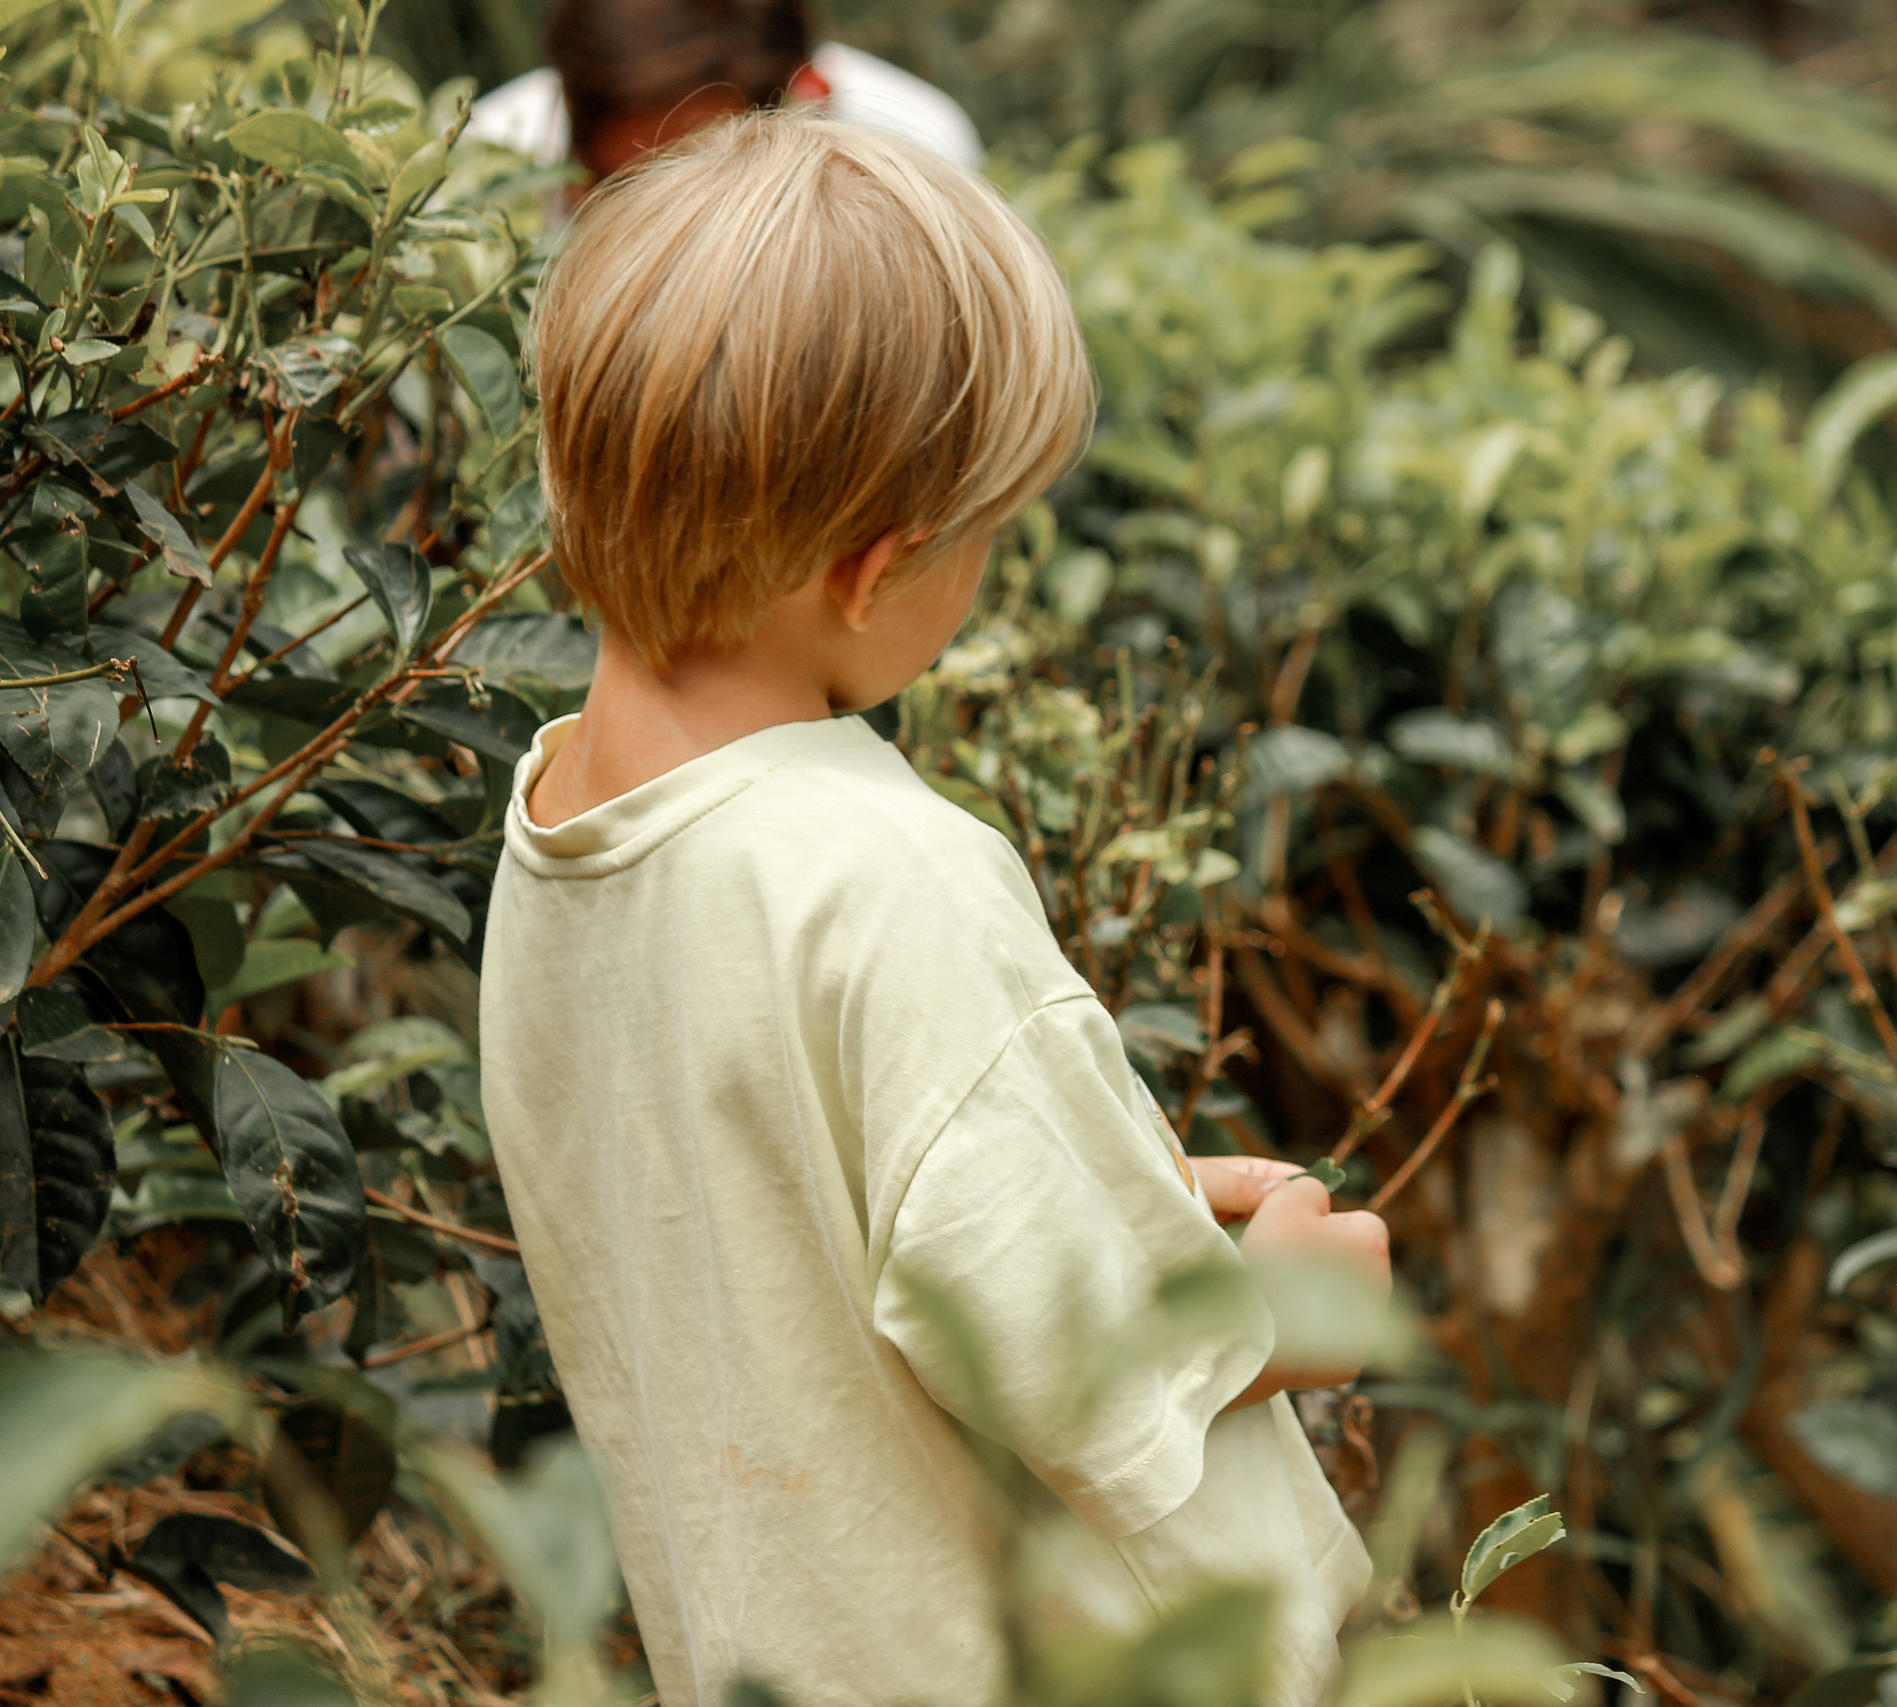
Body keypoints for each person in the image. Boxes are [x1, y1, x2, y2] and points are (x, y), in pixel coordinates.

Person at [479, 113, 1388, 1707]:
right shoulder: (884, 872)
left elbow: (786, 1220)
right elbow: (1100, 1368)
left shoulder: (564, 834)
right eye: (986, 535)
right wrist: (1290, 1308)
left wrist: (1105, 1184)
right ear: (874, 564)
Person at [463, 0, 979, 181]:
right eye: (623, 188)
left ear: (811, 97)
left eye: (695, 171)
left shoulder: (917, 151)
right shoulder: (483, 168)